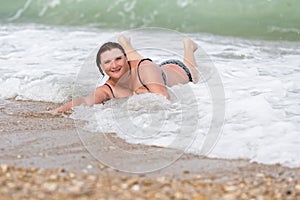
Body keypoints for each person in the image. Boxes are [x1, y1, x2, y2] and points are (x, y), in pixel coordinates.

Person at [50, 35, 199, 113]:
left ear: (125, 59)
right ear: (101, 67)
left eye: (118, 59)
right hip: (142, 70)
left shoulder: (145, 68)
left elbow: (163, 98)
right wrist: (58, 111)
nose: (113, 65)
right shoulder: (108, 88)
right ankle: (126, 44)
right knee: (129, 70)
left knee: (194, 74)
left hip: (179, 70)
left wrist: (138, 98)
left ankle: (189, 46)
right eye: (107, 62)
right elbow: (85, 101)